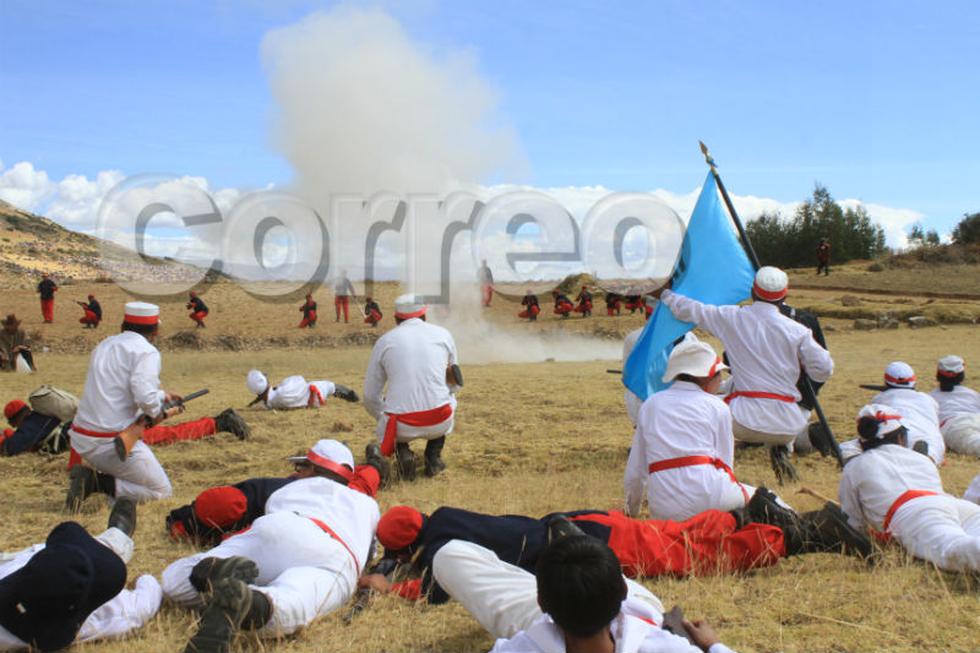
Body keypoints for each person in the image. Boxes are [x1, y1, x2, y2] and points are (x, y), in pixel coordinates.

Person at [359, 499, 866, 605]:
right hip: (583, 521)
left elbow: (440, 589)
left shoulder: (441, 549)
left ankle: (806, 536)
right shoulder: (445, 516)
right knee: (679, 536)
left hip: (589, 544)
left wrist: (389, 586)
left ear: (408, 548)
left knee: (691, 557)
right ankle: (746, 514)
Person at [162, 440, 380, 651]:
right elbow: (371, 554)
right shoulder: (368, 505)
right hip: (332, 551)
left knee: (175, 579)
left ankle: (207, 573)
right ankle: (253, 602)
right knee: (295, 600)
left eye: (301, 467)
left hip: (276, 526)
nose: (297, 472)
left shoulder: (286, 489)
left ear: (313, 468)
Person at [659, 266, 833, 482]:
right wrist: (802, 373)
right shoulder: (799, 331)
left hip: (742, 419)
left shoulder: (731, 317)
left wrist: (665, 294)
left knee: (688, 407)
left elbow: (691, 309)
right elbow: (824, 368)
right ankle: (784, 446)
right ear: (785, 295)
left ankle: (698, 467)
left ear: (753, 291)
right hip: (789, 423)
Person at [428, 536, 738, 653]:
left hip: (547, 614)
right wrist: (713, 645)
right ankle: (580, 565)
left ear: (541, 602)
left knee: (449, 554)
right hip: (640, 609)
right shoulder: (664, 647)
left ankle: (571, 566)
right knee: (595, 572)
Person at [624, 333, 787, 521]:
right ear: (707, 377)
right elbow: (725, 465)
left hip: (663, 508)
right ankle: (799, 525)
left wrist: (631, 513)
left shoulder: (650, 405)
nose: (720, 381)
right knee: (768, 497)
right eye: (719, 374)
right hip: (710, 496)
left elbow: (635, 472)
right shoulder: (717, 407)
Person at [65, 303, 200, 510]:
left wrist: (162, 395)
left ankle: (110, 494)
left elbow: (118, 389)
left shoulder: (104, 345)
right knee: (162, 492)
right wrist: (159, 412)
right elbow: (145, 398)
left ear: (123, 326)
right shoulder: (146, 352)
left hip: (82, 438)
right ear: (155, 331)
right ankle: (96, 483)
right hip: (111, 443)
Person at [0, 502, 162, 652]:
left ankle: (114, 539)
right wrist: (145, 578)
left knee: (85, 552)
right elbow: (143, 604)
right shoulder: (97, 618)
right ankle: (117, 537)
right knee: (103, 549)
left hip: (34, 563)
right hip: (55, 565)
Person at [166, 439, 388, 546]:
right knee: (369, 477)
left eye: (302, 467)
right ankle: (375, 463)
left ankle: (374, 463)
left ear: (310, 470)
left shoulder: (265, 493)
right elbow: (366, 482)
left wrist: (184, 524)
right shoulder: (354, 499)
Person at [838, 404, 980, 572]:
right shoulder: (921, 459)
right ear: (901, 438)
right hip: (956, 506)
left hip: (917, 516)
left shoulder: (855, 467)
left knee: (954, 550)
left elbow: (853, 523)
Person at [363, 295, 459, 480]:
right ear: (424, 315)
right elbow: (455, 383)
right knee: (450, 397)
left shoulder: (385, 341)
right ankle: (433, 457)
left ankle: (403, 452)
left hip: (400, 426)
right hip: (441, 419)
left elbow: (369, 396)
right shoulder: (444, 335)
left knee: (388, 407)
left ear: (396, 318)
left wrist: (382, 416)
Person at [870, 361, 945, 465]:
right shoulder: (928, 399)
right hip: (929, 437)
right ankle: (927, 460)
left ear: (886, 381)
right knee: (934, 449)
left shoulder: (879, 399)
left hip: (898, 436)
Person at [929, 355, 980, 457]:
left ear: (938, 374)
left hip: (956, 428)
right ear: (961, 375)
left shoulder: (929, 398)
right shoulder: (974, 394)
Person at [246, 369, 358, 409]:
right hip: (313, 395)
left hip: (308, 399)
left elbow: (265, 396)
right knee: (331, 386)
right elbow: (300, 380)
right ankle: (354, 398)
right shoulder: (281, 392)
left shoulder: (268, 403)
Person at [1, 400, 67, 456]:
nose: (14, 426)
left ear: (18, 417)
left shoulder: (30, 425)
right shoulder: (37, 416)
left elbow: (9, 448)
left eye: (13, 423)